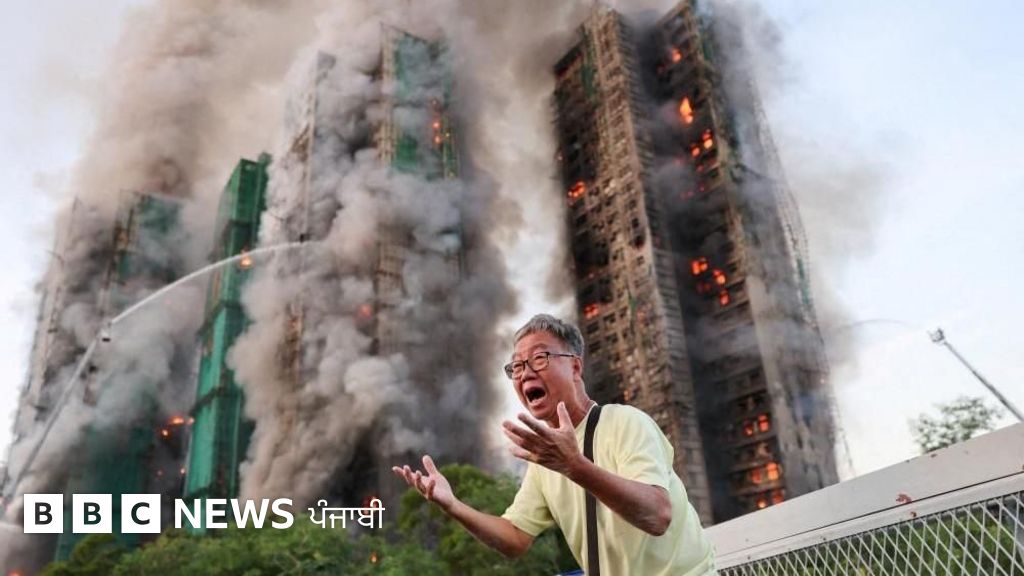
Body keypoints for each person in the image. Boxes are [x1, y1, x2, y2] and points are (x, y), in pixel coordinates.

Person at [393, 314, 716, 575]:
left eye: (539, 358)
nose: (525, 373)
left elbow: (657, 515)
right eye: (517, 366)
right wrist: (453, 505)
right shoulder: (545, 462)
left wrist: (574, 467)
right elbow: (515, 538)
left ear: (575, 366)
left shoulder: (625, 422)